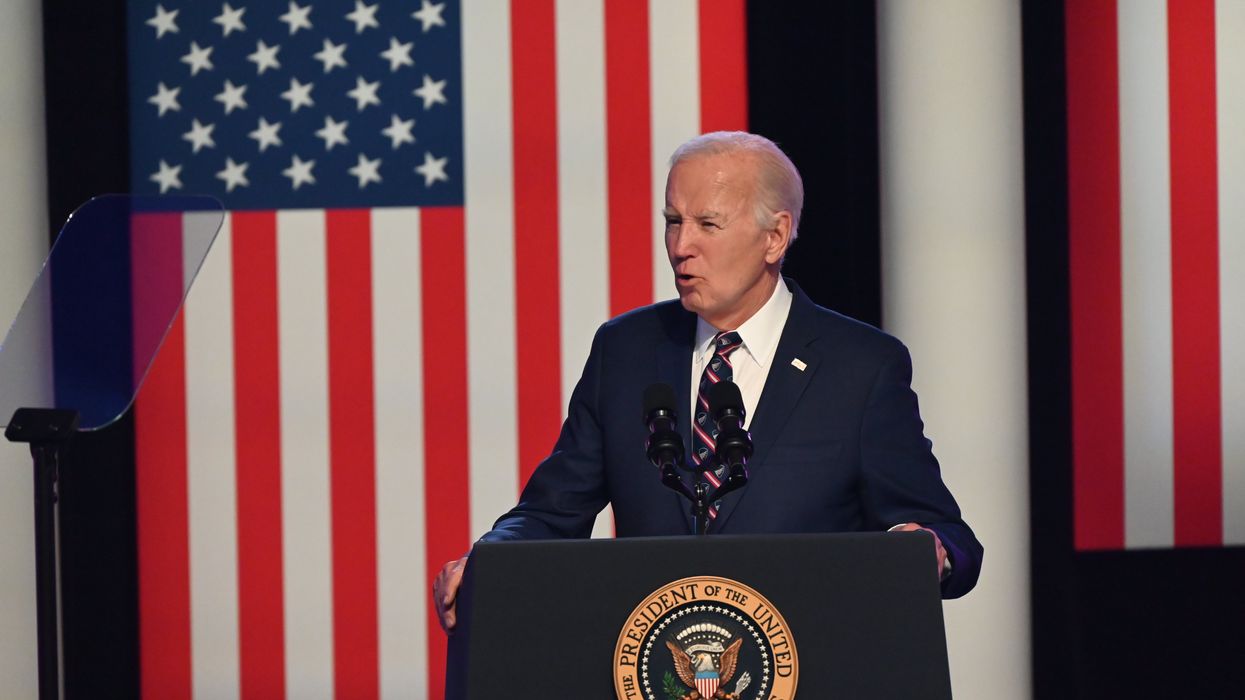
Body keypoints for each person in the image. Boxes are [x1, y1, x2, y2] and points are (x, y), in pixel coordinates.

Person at [435, 131, 982, 631]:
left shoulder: (861, 367)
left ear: (775, 237)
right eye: (673, 220)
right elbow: (551, 512)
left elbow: (948, 538)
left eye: (707, 224)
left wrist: (930, 550)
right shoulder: (625, 351)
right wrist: (491, 559)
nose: (680, 246)